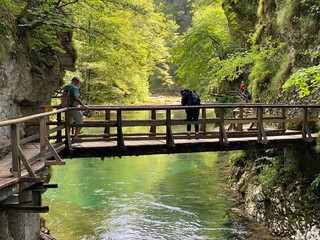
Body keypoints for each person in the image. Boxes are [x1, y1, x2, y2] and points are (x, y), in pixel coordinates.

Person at [65, 76, 89, 140]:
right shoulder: (75, 88)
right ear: (77, 81)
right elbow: (76, 97)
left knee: (68, 123)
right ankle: (75, 137)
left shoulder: (66, 86)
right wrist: (83, 105)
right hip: (74, 107)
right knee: (80, 122)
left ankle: (67, 137)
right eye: (78, 81)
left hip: (66, 107)